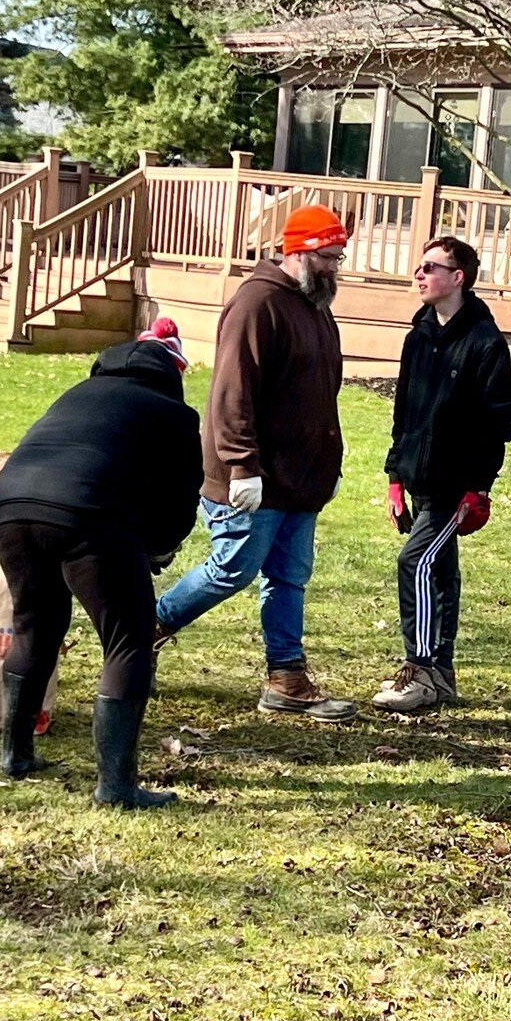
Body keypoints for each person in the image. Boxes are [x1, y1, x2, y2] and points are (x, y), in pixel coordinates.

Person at [154, 204, 356, 723]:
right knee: (233, 569)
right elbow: (232, 394)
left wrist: (327, 462)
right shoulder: (257, 303)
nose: (337, 266)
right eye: (329, 257)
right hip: (254, 475)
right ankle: (143, 629)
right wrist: (242, 466)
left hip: (300, 477)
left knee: (289, 575)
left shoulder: (315, 305)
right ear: (299, 252)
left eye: (339, 256)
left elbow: (320, 392)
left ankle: (286, 677)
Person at [0, 319, 202, 808]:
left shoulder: (76, 393)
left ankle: (15, 755)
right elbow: (179, 502)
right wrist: (157, 549)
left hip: (11, 504)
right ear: (174, 373)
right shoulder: (173, 413)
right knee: (129, 639)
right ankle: (116, 787)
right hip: (88, 515)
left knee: (34, 625)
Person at [371, 236, 511, 712]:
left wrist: (479, 488)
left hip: (455, 490)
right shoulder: (417, 338)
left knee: (414, 562)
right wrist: (396, 475)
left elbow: (497, 423)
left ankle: (421, 668)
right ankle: (443, 676)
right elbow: (404, 412)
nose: (420, 275)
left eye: (431, 268)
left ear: (458, 278)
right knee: (440, 572)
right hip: (419, 479)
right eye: (418, 267)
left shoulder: (485, 343)